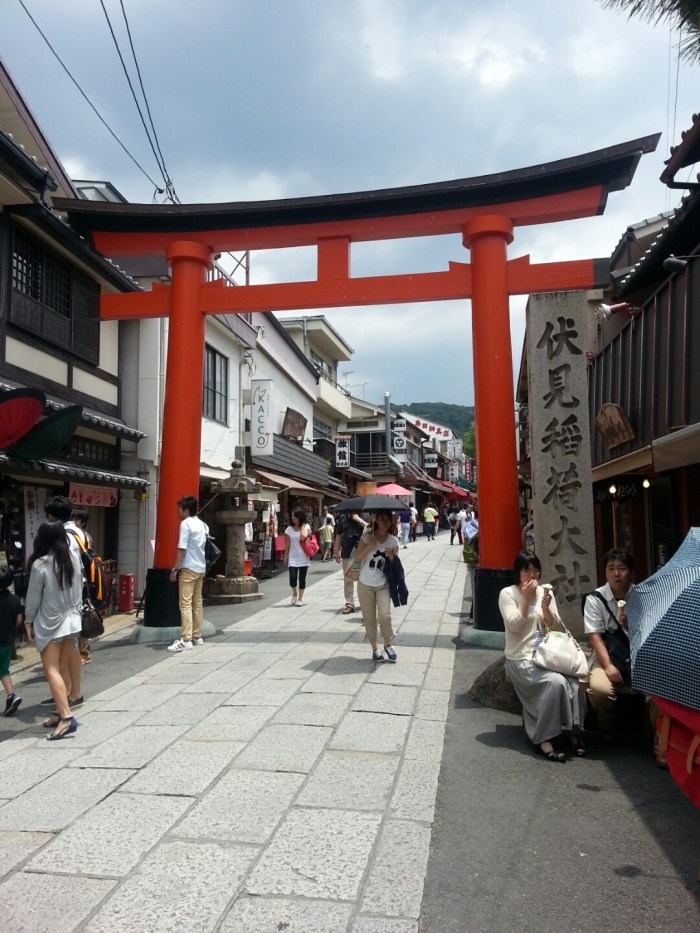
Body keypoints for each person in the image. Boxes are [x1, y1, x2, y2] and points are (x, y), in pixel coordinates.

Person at [499, 551, 587, 762]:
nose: (532, 575)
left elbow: (555, 625)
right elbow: (513, 624)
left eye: (535, 569)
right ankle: (542, 738)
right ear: (518, 573)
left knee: (575, 682)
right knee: (555, 683)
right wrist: (526, 601)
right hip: (521, 657)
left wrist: (546, 608)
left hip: (549, 655)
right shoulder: (508, 594)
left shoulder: (544, 591)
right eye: (526, 570)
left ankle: (574, 732)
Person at [582, 548, 662, 763]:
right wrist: (607, 666)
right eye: (611, 569)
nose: (616, 574)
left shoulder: (642, 596)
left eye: (622, 569)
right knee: (598, 689)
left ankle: (658, 745)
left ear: (630, 572)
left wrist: (633, 624)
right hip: (609, 656)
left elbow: (652, 632)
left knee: (658, 692)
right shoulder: (595, 599)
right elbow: (595, 637)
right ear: (605, 572)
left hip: (639, 657)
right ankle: (607, 729)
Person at [25, 522, 83, 740]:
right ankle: (59, 712)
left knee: (50, 669)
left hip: (51, 621)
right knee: (61, 667)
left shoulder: (41, 564)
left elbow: (33, 598)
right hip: (73, 619)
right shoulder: (73, 558)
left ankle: (66, 717)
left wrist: (28, 621)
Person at [40, 496, 84, 710]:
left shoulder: (65, 536)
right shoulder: (77, 533)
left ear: (52, 516)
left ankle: (67, 697)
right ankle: (68, 694)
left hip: (65, 604)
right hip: (75, 601)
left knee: (63, 656)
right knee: (70, 650)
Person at [355, 510, 399, 663]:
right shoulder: (367, 536)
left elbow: (395, 566)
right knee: (369, 619)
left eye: (388, 519)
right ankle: (375, 649)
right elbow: (358, 557)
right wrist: (370, 545)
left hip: (383, 584)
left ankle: (387, 644)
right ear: (376, 521)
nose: (386, 522)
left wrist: (391, 556)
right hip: (365, 583)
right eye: (382, 519)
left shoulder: (393, 540)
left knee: (385, 616)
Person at [168, 495, 208, 652]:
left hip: (189, 567)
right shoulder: (203, 524)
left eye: (179, 508)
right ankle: (197, 635)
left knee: (185, 604)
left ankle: (186, 639)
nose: (178, 511)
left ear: (185, 510)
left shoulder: (185, 524)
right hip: (201, 567)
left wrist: (175, 568)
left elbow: (182, 548)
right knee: (197, 603)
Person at [67, 506, 93, 665]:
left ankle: (84, 653)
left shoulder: (83, 537)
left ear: (82, 522)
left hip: (82, 581)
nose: (73, 522)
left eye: (76, 520)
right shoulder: (77, 535)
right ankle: (79, 653)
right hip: (78, 580)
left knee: (83, 616)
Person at [334, 510, 368, 614]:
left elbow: (371, 529)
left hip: (362, 552)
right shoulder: (343, 517)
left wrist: (359, 520)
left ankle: (365, 603)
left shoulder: (365, 516)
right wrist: (336, 552)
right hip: (347, 552)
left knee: (363, 579)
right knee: (348, 578)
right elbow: (338, 535)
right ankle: (349, 603)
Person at [0, 568, 23, 716]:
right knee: (3, 670)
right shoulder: (15, 600)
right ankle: (11, 695)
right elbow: (19, 620)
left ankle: (12, 696)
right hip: (6, 640)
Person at [284, 508, 312, 607]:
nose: (292, 518)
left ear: (299, 517)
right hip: (293, 556)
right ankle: (294, 593)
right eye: (291, 516)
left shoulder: (306, 527)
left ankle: (300, 598)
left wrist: (303, 527)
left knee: (302, 578)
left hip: (304, 556)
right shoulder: (288, 529)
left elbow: (304, 537)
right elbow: (287, 544)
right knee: (292, 578)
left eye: (294, 516)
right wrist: (285, 556)